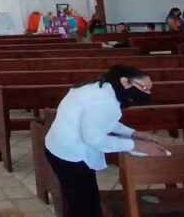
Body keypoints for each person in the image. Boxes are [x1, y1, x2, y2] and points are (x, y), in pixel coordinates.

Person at [44, 65, 168, 217]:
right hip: (70, 156)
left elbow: (104, 122)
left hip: (61, 148)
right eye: (144, 88)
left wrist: (133, 133)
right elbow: (95, 139)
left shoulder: (103, 88)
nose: (147, 94)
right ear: (125, 82)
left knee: (81, 201)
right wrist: (138, 145)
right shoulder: (104, 100)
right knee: (86, 207)